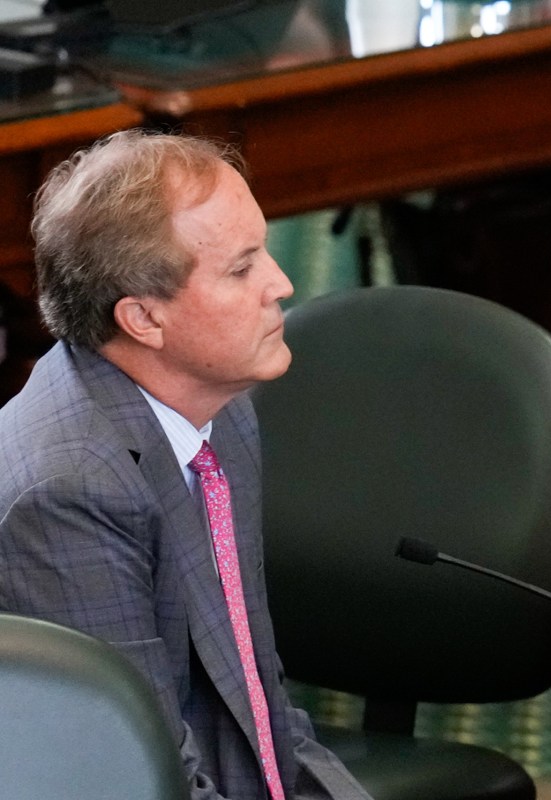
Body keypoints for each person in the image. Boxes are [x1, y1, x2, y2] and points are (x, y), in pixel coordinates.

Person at [0, 130, 371, 800]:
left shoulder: (216, 404)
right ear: (143, 318)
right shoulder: (71, 492)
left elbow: (257, 699)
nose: (282, 283)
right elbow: (135, 777)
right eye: (241, 268)